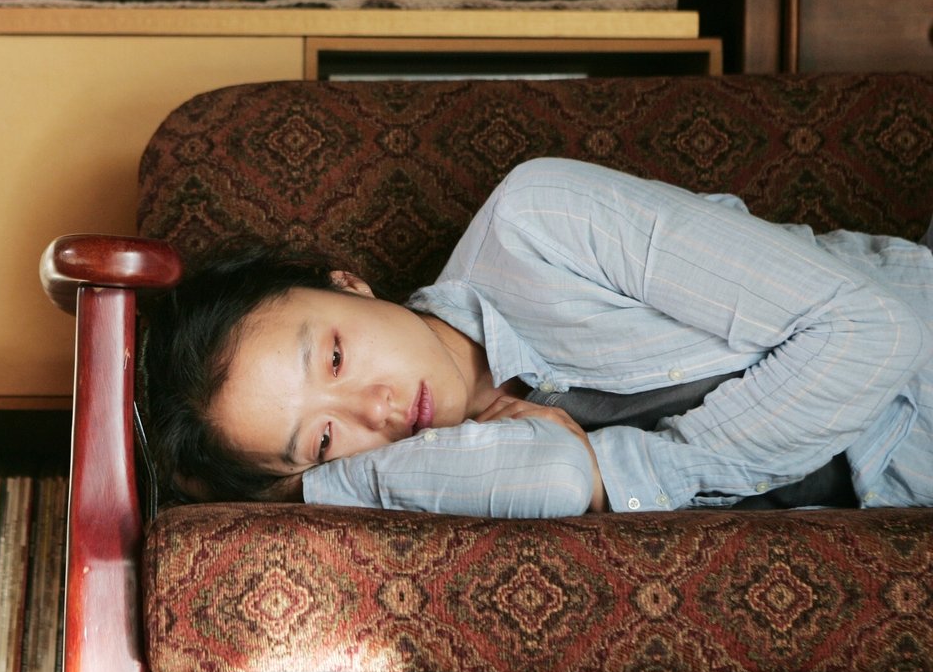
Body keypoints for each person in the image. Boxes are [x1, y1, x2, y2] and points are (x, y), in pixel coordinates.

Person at [142, 158, 933, 518]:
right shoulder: (456, 470)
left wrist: (628, 473)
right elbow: (555, 477)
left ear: (346, 281)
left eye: (337, 356)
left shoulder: (538, 221)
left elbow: (870, 330)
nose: (375, 408)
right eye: (322, 440)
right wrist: (309, 487)